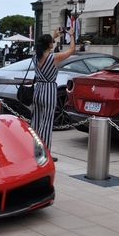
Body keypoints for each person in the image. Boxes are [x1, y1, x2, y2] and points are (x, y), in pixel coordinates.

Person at [31, 27, 75, 162]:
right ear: (49, 44)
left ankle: (33, 150)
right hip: (49, 90)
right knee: (47, 123)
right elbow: (72, 50)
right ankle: (45, 152)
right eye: (52, 42)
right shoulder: (54, 57)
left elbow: (44, 46)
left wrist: (53, 37)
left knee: (36, 123)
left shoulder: (35, 57)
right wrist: (72, 36)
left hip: (37, 89)